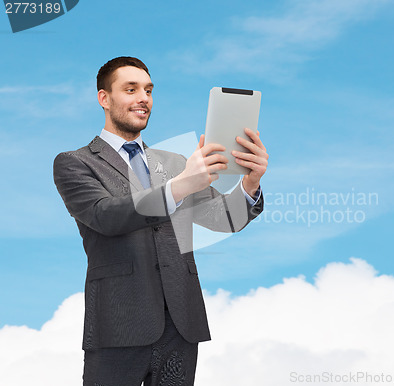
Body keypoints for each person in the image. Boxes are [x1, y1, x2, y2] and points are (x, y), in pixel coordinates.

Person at [53, 56, 267, 386]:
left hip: (181, 325)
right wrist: (183, 184)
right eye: (131, 89)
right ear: (104, 98)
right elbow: (105, 216)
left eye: (149, 90)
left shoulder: (176, 162)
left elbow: (223, 218)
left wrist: (250, 183)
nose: (144, 98)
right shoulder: (75, 163)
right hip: (119, 324)